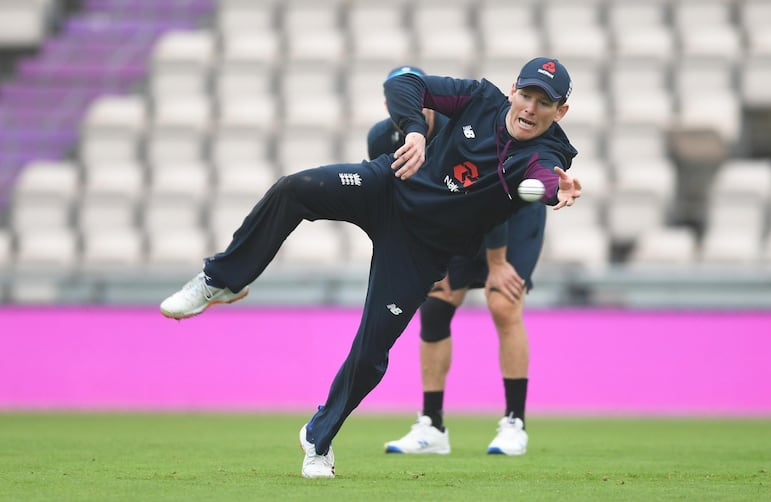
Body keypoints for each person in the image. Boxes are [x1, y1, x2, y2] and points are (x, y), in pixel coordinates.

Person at [159, 57, 581, 479]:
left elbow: (543, 177)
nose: (530, 108)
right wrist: (416, 131)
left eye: (545, 103)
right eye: (526, 95)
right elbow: (405, 82)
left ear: (560, 111)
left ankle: (318, 439)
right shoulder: (479, 98)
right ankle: (222, 280)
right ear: (513, 90)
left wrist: (552, 187)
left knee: (371, 353)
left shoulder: (549, 151)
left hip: (421, 249)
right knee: (296, 189)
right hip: (387, 188)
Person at [368, 66, 552, 456]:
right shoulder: (382, 138)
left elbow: (492, 197)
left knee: (502, 301)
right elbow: (398, 201)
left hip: (513, 211)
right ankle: (432, 426)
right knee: (435, 306)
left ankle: (514, 423)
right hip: (456, 215)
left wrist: (497, 262)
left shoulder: (463, 120)